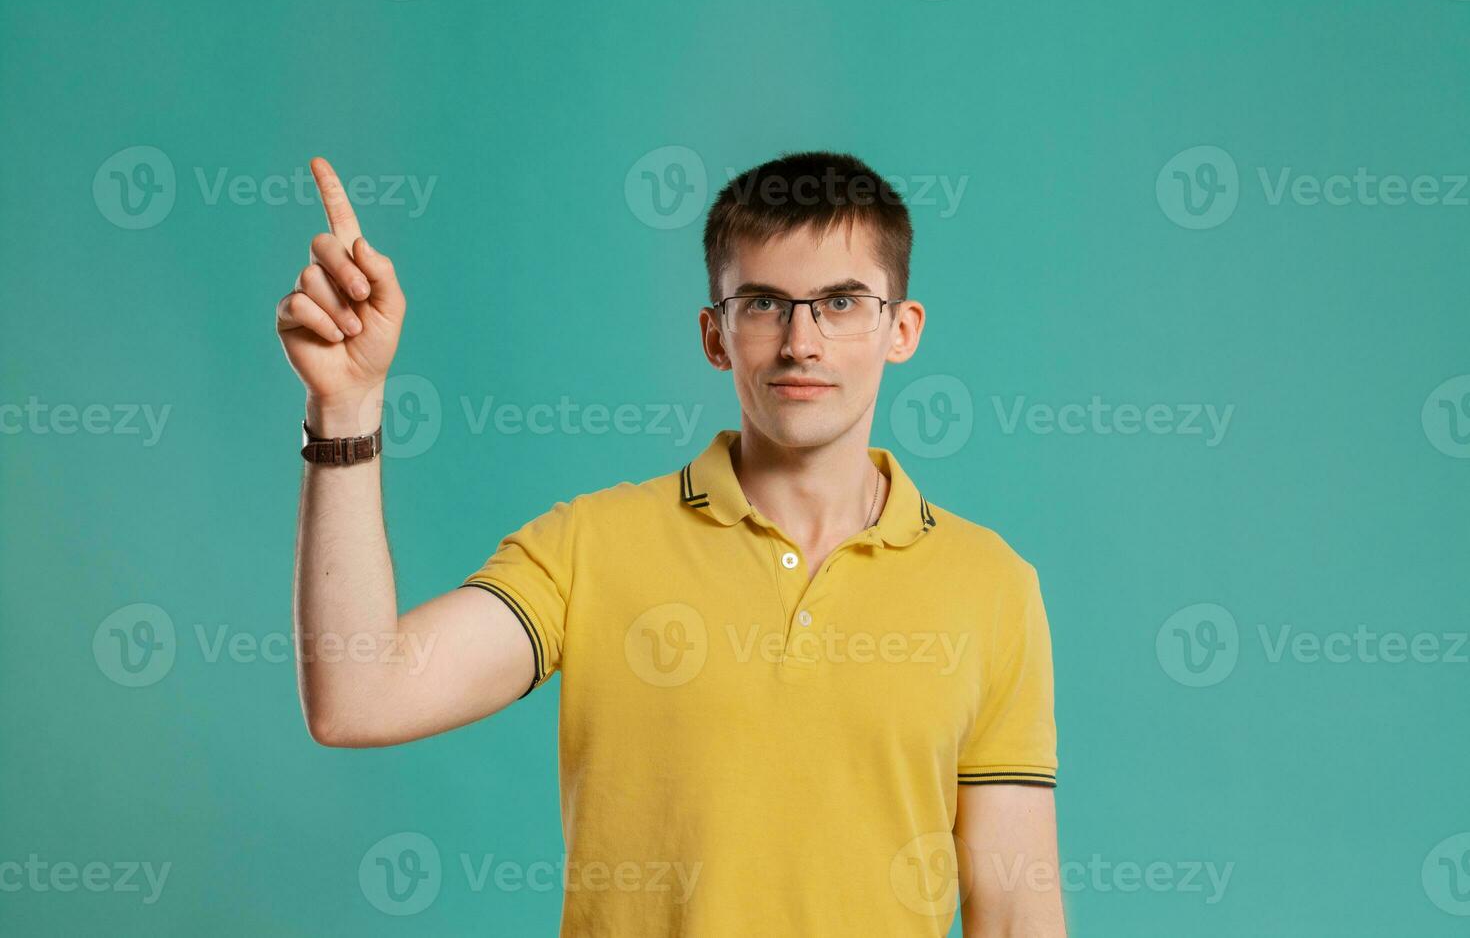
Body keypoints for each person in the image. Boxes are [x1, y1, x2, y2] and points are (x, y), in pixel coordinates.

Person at [276, 150, 1065, 937]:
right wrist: (347, 404)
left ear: (902, 328)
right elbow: (359, 695)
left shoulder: (991, 585)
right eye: (762, 303)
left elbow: (1013, 914)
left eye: (842, 302)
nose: (802, 342)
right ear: (715, 334)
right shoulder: (589, 547)